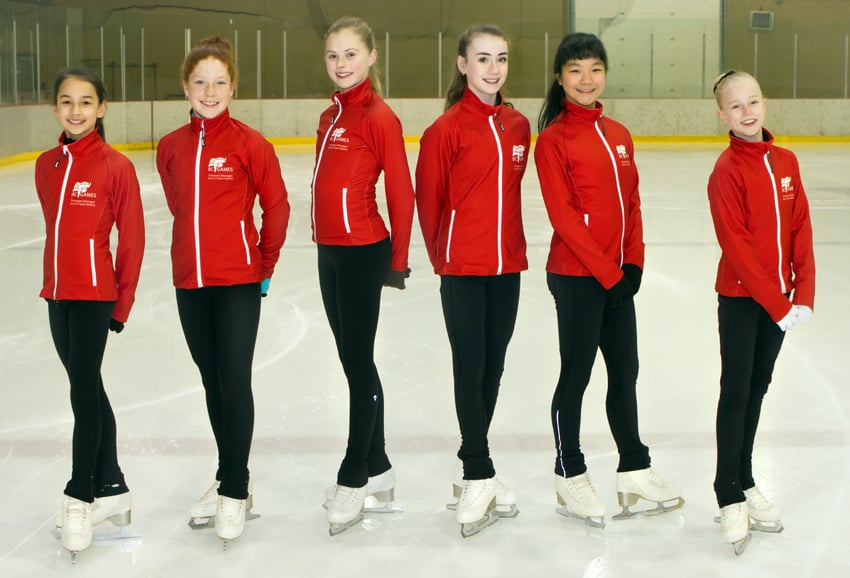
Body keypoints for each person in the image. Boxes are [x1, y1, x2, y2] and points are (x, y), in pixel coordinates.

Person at [534, 32, 683, 529]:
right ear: (560, 78)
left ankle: (634, 468)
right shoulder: (554, 139)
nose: (586, 79)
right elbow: (564, 216)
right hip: (577, 277)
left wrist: (633, 264)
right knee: (576, 374)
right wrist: (606, 273)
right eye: (575, 70)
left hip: (619, 276)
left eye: (595, 69)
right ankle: (568, 470)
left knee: (626, 371)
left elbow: (633, 203)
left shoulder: (618, 134)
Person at [156, 36, 289, 544]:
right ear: (185, 87)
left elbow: (276, 207)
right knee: (212, 383)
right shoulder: (171, 146)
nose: (209, 91)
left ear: (233, 86)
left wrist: (263, 263)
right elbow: (177, 203)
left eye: (218, 82)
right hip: (190, 282)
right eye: (199, 82)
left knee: (234, 380)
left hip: (237, 281)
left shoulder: (250, 144)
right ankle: (224, 471)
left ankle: (236, 487)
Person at [415, 23, 528, 537]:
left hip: (508, 268)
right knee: (470, 365)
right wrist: (446, 258)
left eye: (500, 58)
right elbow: (429, 201)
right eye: (482, 59)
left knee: (496, 367)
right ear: (463, 65)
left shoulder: (519, 126)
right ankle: (477, 470)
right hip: (462, 269)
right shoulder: (445, 131)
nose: (493, 68)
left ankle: (472, 456)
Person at [311, 16, 414, 536]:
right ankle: (379, 466)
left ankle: (354, 474)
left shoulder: (379, 116)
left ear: (371, 57)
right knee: (355, 359)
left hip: (362, 252)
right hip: (330, 253)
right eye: (334, 56)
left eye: (351, 54)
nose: (342, 64)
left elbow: (401, 191)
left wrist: (397, 260)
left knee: (356, 363)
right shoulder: (332, 115)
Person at [36, 66, 145, 557]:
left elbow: (134, 240)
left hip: (95, 296)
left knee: (82, 391)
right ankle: (114, 486)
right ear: (56, 108)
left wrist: (121, 303)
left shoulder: (114, 166)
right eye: (66, 101)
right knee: (89, 387)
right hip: (56, 295)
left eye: (85, 102)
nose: (75, 110)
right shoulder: (45, 165)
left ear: (101, 109)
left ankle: (81, 492)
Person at [708, 70, 815, 554]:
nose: (746, 112)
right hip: (741, 299)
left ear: (764, 103)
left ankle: (746, 475)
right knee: (736, 391)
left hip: (782, 304)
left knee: (758, 387)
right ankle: (727, 491)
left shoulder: (787, 161)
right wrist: (777, 304)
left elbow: (802, 230)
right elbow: (738, 247)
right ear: (722, 115)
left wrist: (804, 294)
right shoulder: (725, 172)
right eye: (735, 106)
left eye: (753, 102)